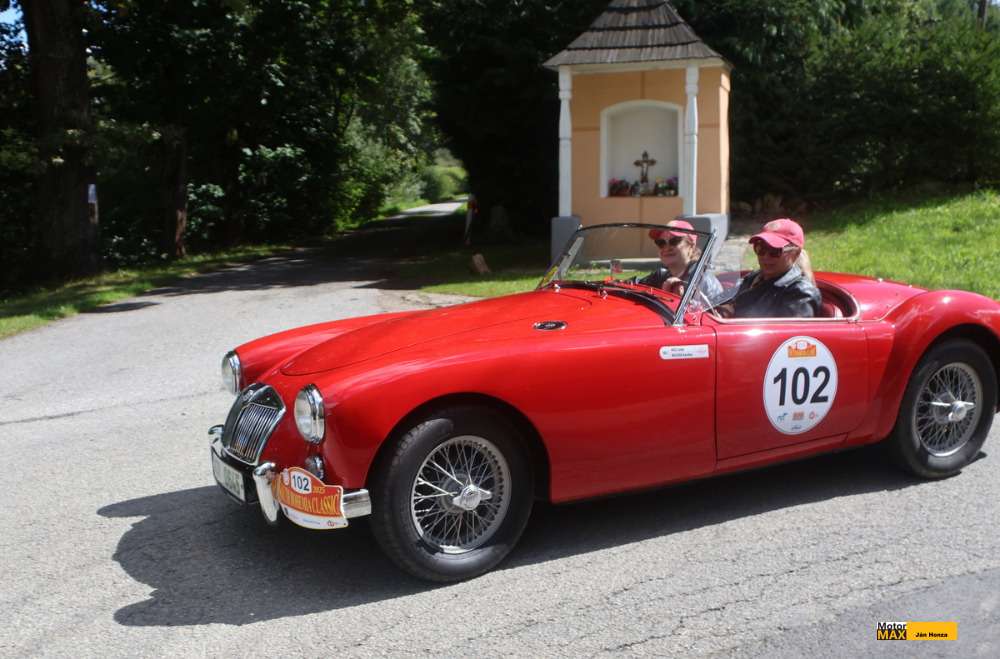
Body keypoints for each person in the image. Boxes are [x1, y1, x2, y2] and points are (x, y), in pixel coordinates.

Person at [719, 218, 821, 318]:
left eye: (775, 251)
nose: (765, 257)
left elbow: (785, 329)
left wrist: (733, 312)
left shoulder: (801, 293)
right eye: (760, 249)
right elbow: (723, 299)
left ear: (795, 253)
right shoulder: (755, 277)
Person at [639, 220, 723, 302]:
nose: (667, 248)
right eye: (661, 243)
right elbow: (633, 286)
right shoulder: (660, 276)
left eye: (674, 241)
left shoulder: (703, 280)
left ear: (691, 246)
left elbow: (717, 310)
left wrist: (683, 302)